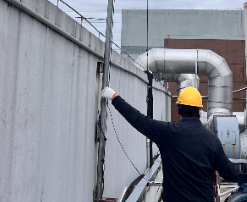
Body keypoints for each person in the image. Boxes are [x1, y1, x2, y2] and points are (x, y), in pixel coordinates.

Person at [101, 85, 238, 202]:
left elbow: (139, 120)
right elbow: (229, 174)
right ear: (199, 112)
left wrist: (114, 97)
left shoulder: (167, 133)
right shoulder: (212, 140)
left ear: (178, 110)